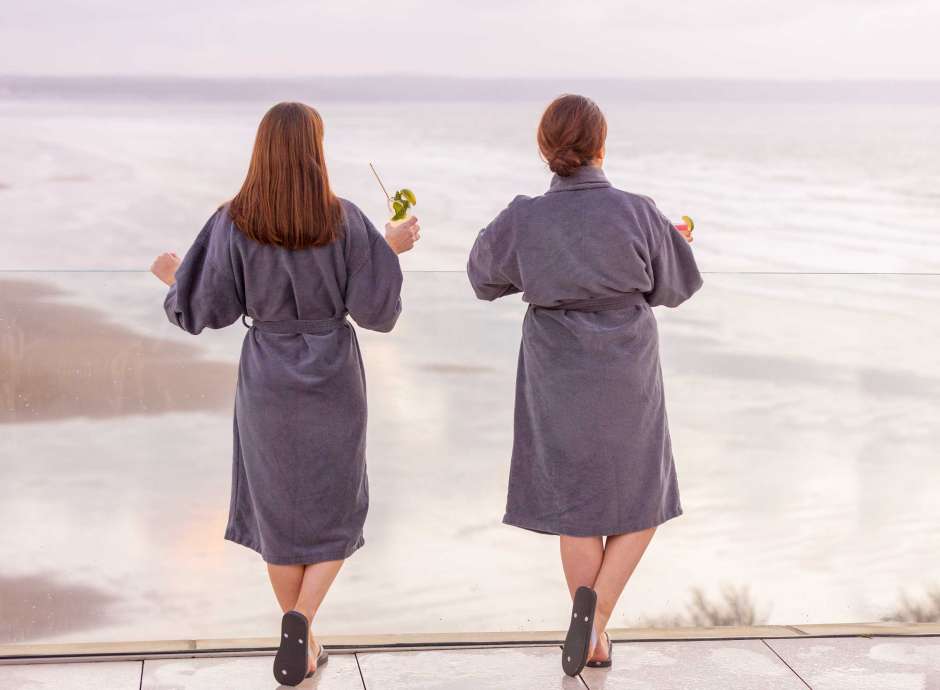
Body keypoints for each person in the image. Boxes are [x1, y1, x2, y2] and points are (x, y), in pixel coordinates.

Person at [149, 102, 420, 686]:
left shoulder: (233, 219)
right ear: (316, 151)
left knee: (275, 508)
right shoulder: (344, 218)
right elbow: (377, 311)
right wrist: (388, 249)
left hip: (267, 373)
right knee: (337, 505)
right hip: (334, 373)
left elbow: (207, 308)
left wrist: (174, 276)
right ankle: (302, 623)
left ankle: (299, 631)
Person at [467, 94, 702, 677]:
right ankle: (594, 623)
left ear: (545, 149)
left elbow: (481, 276)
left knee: (577, 505)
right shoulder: (637, 210)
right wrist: (676, 242)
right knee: (643, 498)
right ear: (601, 145)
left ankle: (588, 624)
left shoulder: (524, 216)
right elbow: (676, 286)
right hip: (627, 369)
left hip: (556, 371)